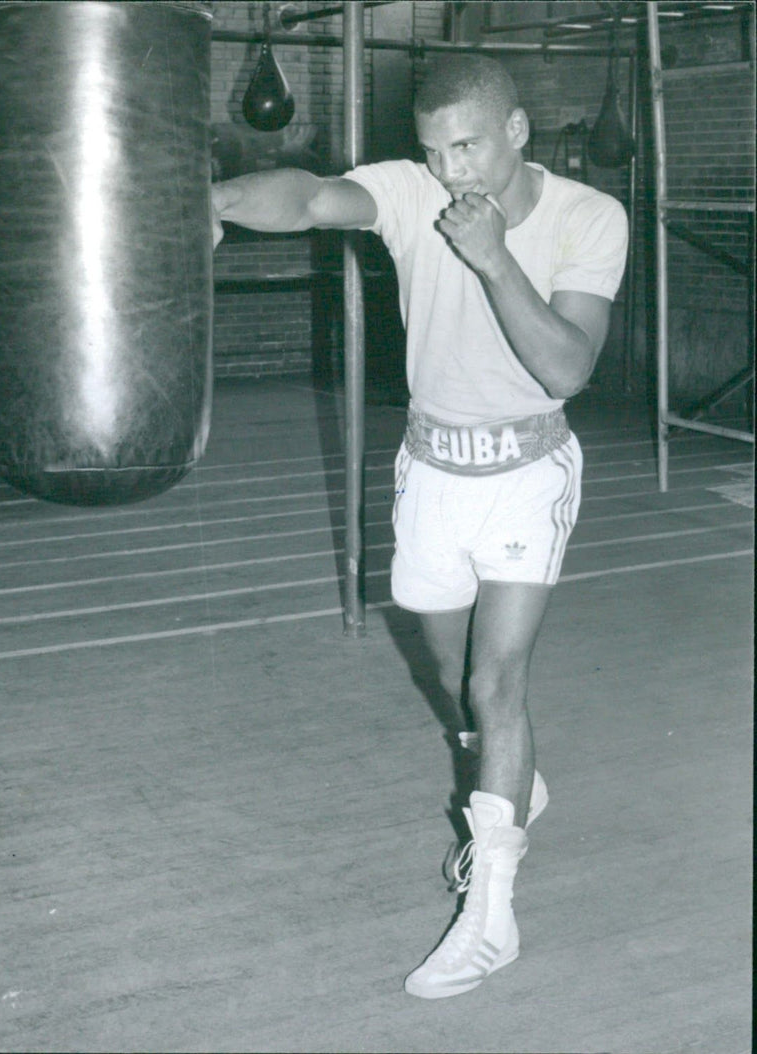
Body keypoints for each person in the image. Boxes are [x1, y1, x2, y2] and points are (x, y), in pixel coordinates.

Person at [211, 54, 628, 1000]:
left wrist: (492, 258)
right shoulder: (413, 192)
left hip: (528, 470)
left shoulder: (588, 218)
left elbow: (567, 368)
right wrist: (221, 199)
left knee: (496, 679)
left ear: (515, 133)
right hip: (433, 471)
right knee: (455, 683)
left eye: (468, 147)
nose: (452, 174)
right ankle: (513, 777)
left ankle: (491, 920)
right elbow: (313, 198)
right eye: (435, 152)